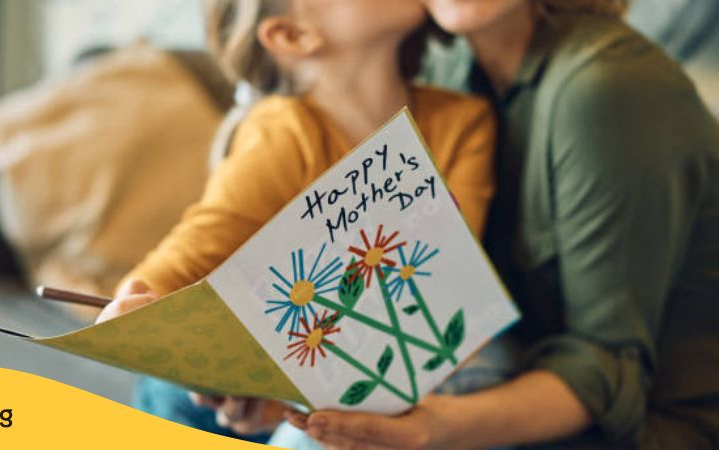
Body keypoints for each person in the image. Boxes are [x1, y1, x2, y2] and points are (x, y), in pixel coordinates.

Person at [276, 1, 719, 449]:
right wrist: (288, 393)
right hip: (506, 379)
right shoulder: (450, 72)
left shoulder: (605, 86)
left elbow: (605, 372)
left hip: (640, 430)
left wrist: (432, 427)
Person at [96, 0, 506, 444]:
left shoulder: (463, 124)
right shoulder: (283, 132)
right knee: (169, 393)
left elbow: (445, 294)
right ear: (293, 37)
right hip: (228, 397)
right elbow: (171, 271)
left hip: (353, 378)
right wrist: (133, 313)